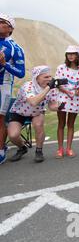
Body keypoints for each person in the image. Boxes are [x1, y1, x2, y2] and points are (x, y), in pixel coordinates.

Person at [7, 66, 61, 163]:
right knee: (13, 135)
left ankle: (39, 151)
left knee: (38, 124)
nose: (49, 79)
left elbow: (52, 106)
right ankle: (22, 148)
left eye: (50, 77)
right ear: (37, 78)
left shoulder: (52, 89)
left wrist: (60, 107)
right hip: (19, 112)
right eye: (46, 77)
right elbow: (33, 102)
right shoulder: (27, 86)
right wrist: (48, 88)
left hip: (37, 112)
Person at [0, 14, 26, 165]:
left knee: (0, 119)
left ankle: (1, 150)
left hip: (3, 86)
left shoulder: (15, 48)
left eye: (1, 22)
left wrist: (5, 64)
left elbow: (21, 73)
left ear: (10, 28)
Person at [54, 46, 79, 159]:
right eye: (68, 53)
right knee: (61, 123)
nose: (70, 55)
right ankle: (60, 149)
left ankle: (68, 148)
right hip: (63, 97)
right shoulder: (61, 68)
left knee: (71, 124)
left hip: (75, 100)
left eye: (73, 53)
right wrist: (68, 92)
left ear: (78, 55)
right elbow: (57, 83)